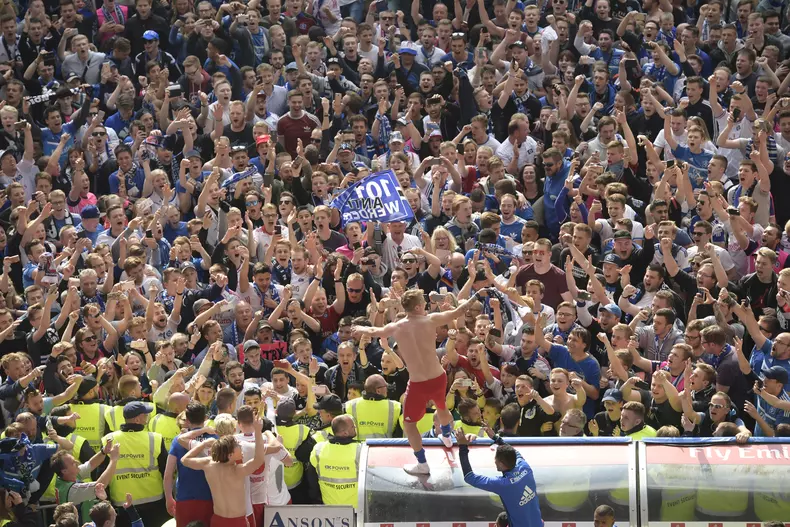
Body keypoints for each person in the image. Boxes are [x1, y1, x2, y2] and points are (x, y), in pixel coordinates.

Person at [352, 289, 473, 474]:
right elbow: (459, 311)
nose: (426, 307)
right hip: (438, 377)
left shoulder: (397, 327)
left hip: (418, 383)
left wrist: (360, 329)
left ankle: (422, 463)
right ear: (417, 307)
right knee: (441, 406)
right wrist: (476, 296)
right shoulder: (431, 320)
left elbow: (375, 331)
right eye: (423, 304)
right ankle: (447, 436)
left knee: (409, 425)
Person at [180, 412, 267, 527]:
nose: (240, 447)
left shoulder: (208, 464)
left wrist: (203, 444)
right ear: (230, 455)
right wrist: (258, 431)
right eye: (237, 446)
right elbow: (259, 459)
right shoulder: (237, 470)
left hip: (217, 520)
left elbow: (184, 460)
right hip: (237, 522)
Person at [455, 431, 543, 527]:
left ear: (501, 463)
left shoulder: (504, 484)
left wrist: (462, 447)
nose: (494, 461)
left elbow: (469, 477)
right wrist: (495, 438)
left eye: (495, 459)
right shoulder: (525, 466)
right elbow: (515, 452)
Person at [308, 414, 361, 507]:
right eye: (353, 427)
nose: (355, 428)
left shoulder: (318, 449)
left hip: (329, 508)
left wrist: (316, 501)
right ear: (345, 433)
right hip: (356, 508)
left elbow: (312, 480)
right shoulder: (360, 449)